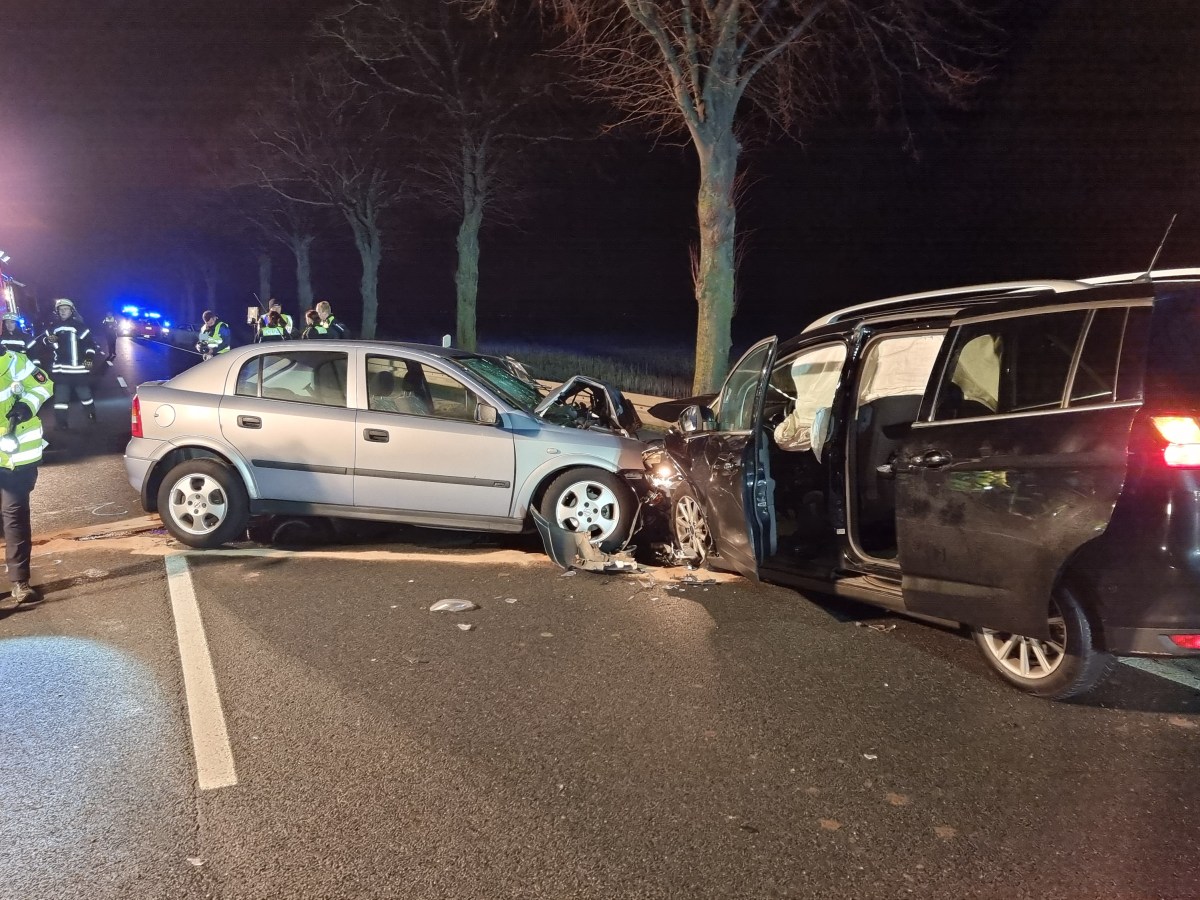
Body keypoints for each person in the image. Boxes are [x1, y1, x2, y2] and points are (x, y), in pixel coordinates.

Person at [0, 339, 53, 612]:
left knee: (15, 518)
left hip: (15, 458)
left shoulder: (15, 362)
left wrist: (26, 407)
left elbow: (44, 385)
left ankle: (20, 582)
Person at [42, 298, 98, 429]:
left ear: (72, 311)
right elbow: (43, 345)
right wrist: (47, 340)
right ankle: (61, 424)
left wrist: (89, 360)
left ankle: (91, 417)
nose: (62, 312)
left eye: (65, 309)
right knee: (60, 400)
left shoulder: (79, 326)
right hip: (61, 371)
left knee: (85, 397)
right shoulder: (52, 328)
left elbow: (90, 345)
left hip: (78, 370)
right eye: (60, 310)